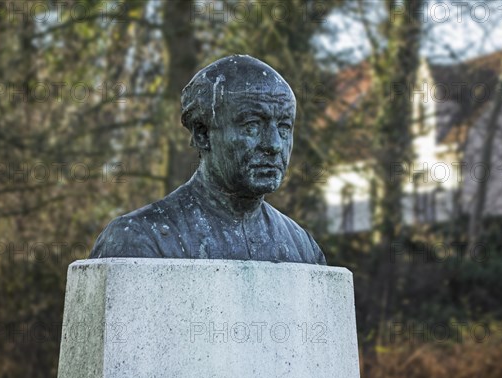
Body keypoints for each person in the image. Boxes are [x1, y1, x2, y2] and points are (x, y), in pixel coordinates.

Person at [89, 55, 326, 264]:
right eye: (252, 125)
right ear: (202, 133)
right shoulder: (140, 241)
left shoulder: (303, 249)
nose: (274, 144)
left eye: (284, 127)